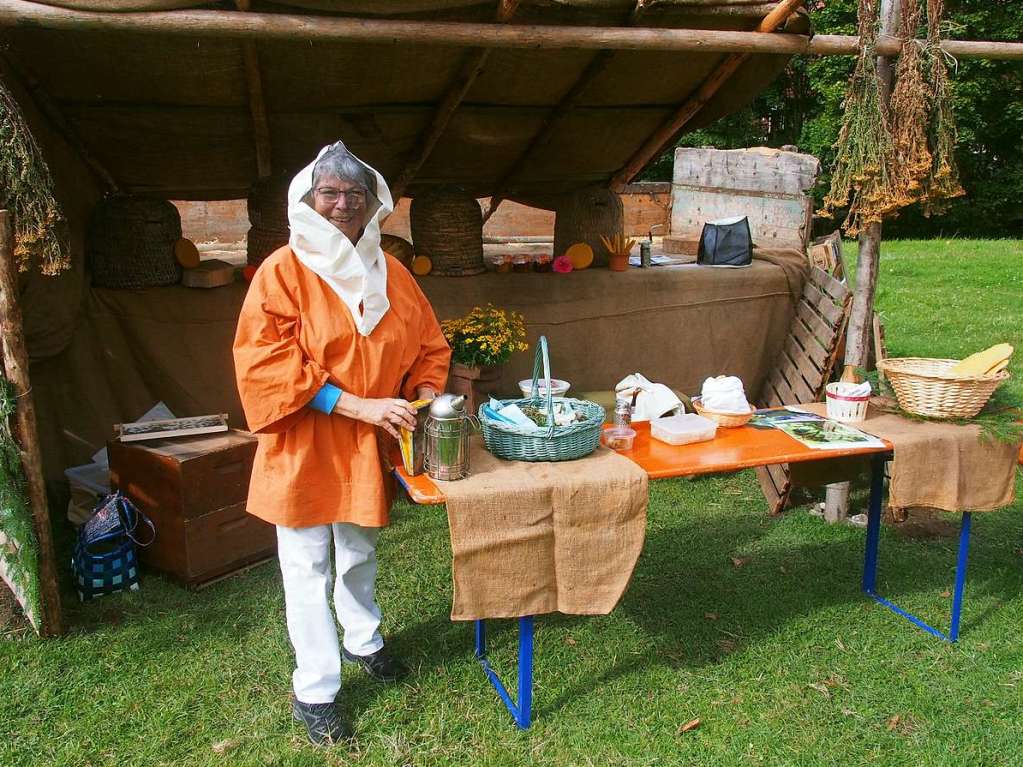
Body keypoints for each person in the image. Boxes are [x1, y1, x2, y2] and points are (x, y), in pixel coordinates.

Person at [233, 142, 451, 746]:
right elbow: (265, 363)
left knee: (357, 549)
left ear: (372, 202)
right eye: (330, 193)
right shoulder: (282, 271)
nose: (342, 205)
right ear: (307, 200)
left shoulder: (394, 273)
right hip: (303, 438)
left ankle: (364, 641)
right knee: (305, 564)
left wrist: (427, 394)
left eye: (354, 195)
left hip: (367, 441)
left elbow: (429, 345)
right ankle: (317, 688)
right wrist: (355, 403)